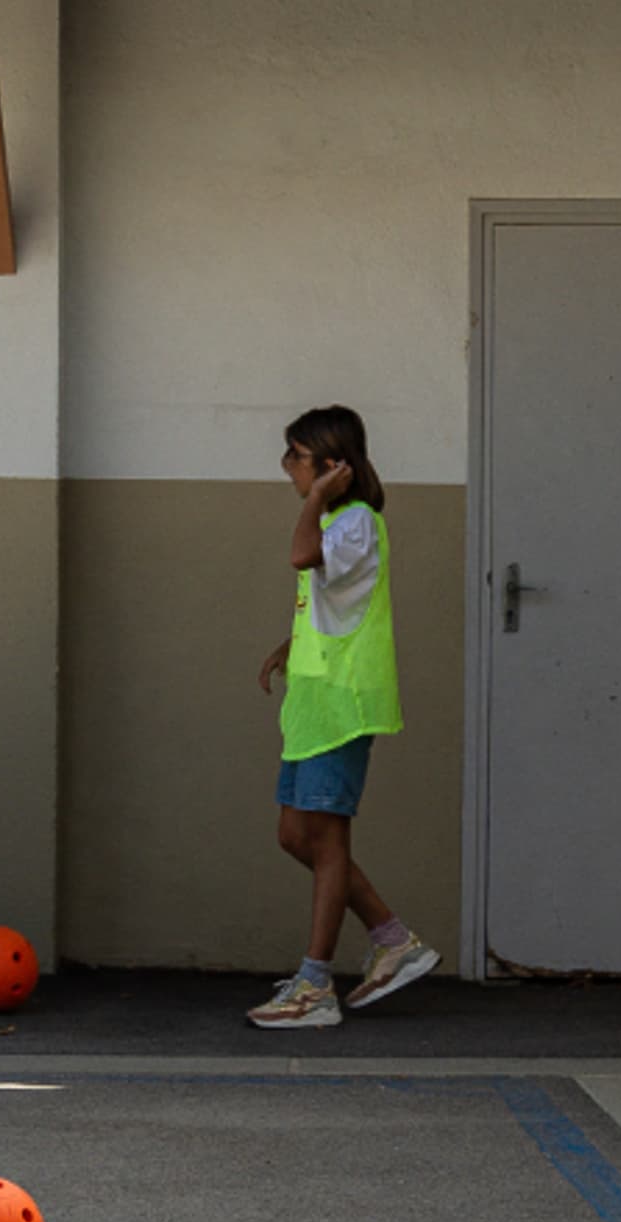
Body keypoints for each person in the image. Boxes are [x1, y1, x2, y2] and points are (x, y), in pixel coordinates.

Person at [249, 405, 435, 1028]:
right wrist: (288, 642)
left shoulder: (354, 520)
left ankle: (314, 986)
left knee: (326, 841)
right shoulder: (338, 521)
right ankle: (391, 938)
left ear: (332, 467)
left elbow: (302, 557)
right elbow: (328, 600)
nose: (287, 470)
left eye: (296, 458)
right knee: (294, 836)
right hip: (313, 704)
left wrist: (319, 499)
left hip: (342, 707)